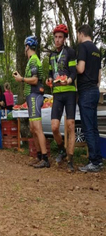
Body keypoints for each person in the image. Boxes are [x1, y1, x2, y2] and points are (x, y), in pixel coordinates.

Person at [13, 36, 49, 168]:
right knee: (33, 128)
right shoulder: (31, 61)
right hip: (31, 96)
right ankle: (39, 156)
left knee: (37, 128)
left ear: (28, 46)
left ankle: (45, 158)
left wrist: (21, 79)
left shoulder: (34, 60)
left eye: (25, 46)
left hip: (35, 95)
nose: (24, 49)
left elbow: (34, 80)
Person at [46, 24, 77, 172]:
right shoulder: (51, 55)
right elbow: (50, 73)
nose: (58, 40)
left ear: (65, 39)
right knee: (54, 127)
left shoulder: (70, 52)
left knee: (71, 126)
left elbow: (73, 72)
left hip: (70, 92)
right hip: (57, 94)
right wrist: (48, 80)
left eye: (60, 37)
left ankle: (70, 159)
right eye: (56, 37)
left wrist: (69, 80)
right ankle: (61, 150)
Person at [76, 24, 103, 172]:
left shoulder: (83, 48)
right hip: (94, 89)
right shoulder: (97, 51)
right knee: (94, 127)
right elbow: (99, 76)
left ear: (81, 33)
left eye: (78, 34)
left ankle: (94, 161)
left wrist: (70, 66)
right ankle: (97, 159)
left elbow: (80, 68)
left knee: (87, 127)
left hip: (85, 91)